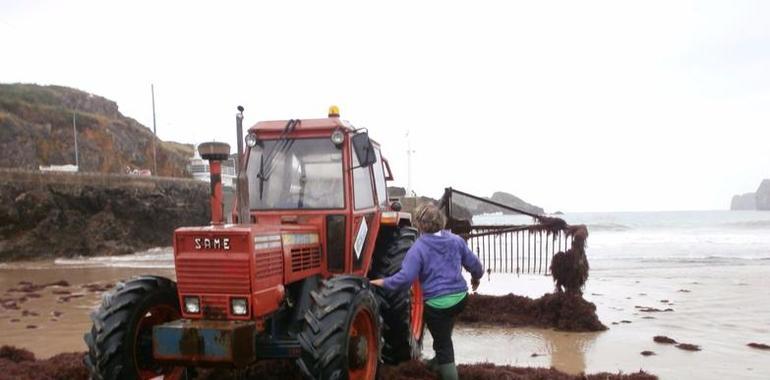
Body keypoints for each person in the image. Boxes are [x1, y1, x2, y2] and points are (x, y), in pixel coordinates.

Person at [371, 203, 484, 380]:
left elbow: (404, 280)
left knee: (444, 345)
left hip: (438, 305)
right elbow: (475, 265)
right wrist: (476, 278)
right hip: (461, 299)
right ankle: (437, 361)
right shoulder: (456, 240)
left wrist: (382, 282)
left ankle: (445, 366)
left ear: (419, 224)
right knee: (444, 332)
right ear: (441, 221)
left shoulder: (418, 248)